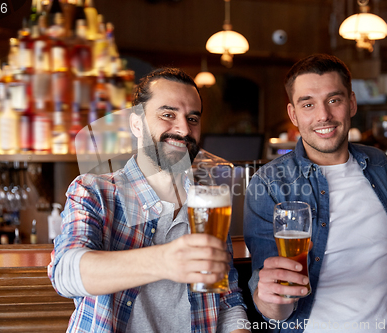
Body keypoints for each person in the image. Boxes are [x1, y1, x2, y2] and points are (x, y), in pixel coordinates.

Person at [48, 68, 250, 333]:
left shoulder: (208, 202)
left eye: (192, 118)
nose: (183, 129)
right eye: (168, 115)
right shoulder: (94, 190)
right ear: (136, 123)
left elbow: (227, 297)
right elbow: (65, 274)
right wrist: (165, 261)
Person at [243, 54, 387, 332]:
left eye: (334, 100)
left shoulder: (377, 162)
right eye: (308, 104)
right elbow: (271, 300)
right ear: (293, 114)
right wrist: (271, 299)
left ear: (351, 103)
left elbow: (373, 225)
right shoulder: (268, 184)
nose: (323, 116)